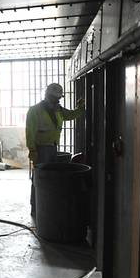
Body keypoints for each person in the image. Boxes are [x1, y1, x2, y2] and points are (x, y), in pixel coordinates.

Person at [25, 83, 84, 215]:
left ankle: (47, 205)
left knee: (49, 177)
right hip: (41, 149)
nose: (57, 101)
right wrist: (32, 150)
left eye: (58, 99)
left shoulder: (58, 110)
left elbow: (70, 115)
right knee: (39, 178)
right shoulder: (35, 110)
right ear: (47, 96)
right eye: (54, 98)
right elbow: (30, 132)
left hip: (52, 147)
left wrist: (80, 108)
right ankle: (36, 206)